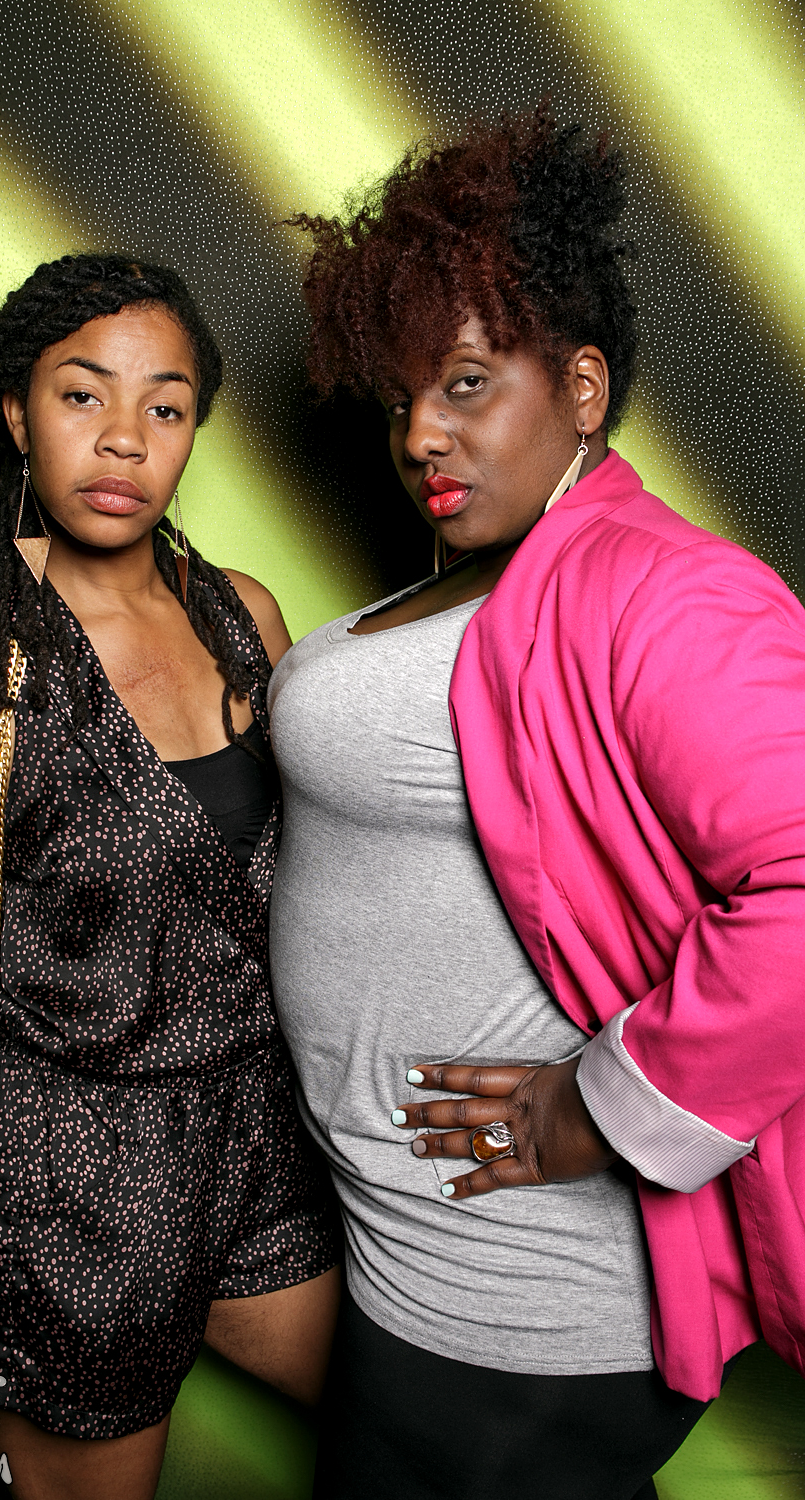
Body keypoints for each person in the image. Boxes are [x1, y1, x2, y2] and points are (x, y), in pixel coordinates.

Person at [268, 108, 805, 1499]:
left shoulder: (660, 587)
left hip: (519, 1305)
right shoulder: (478, 573)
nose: (420, 435)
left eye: (464, 384)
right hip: (404, 1271)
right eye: (400, 397)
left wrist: (599, 1110)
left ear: (579, 386)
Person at [0, 253, 339, 1500]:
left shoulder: (244, 618)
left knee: (427, 1425)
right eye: (81, 394)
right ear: (17, 412)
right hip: (73, 1197)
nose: (123, 438)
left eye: (165, 406)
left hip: (267, 1146)